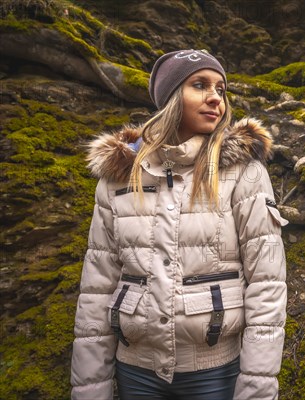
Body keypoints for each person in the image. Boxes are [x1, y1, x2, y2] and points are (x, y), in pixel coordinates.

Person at [70, 49, 288, 400]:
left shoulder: (242, 172)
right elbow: (96, 289)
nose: (215, 97)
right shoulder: (119, 175)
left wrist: (257, 386)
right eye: (199, 85)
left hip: (214, 373)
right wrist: (90, 389)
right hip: (135, 372)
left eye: (220, 88)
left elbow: (267, 285)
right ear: (171, 98)